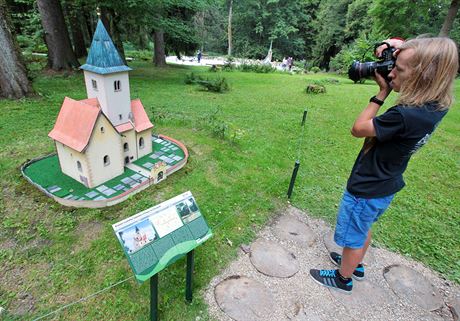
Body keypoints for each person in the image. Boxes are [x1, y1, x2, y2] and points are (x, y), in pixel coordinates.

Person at [309, 37, 459, 294]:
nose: (390, 72)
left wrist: (381, 94)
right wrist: (394, 46)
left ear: (424, 74)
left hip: (366, 186)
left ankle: (343, 278)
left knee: (353, 235)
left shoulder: (404, 116)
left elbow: (358, 129)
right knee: (363, 227)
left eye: (398, 69)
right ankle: (355, 265)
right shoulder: (435, 106)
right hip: (386, 183)